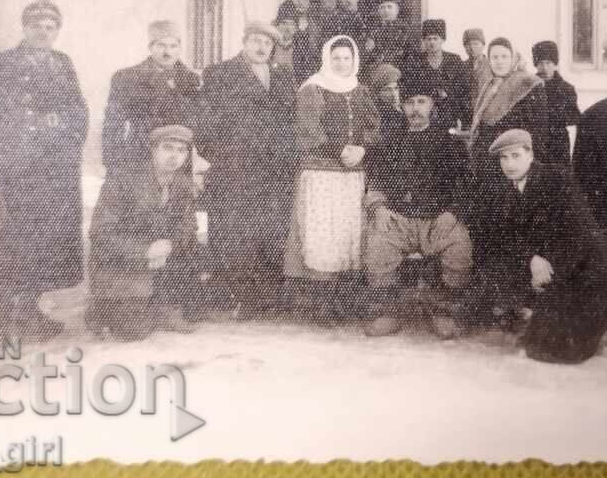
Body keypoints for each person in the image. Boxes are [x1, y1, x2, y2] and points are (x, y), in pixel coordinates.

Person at [0, 0, 88, 340]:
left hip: (54, 170)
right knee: (8, 241)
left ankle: (32, 311)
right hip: (13, 168)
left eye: (51, 26)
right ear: (24, 28)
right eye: (37, 25)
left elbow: (79, 111)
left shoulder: (63, 63)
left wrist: (63, 126)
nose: (44, 31)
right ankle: (4, 320)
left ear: (57, 32)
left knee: (46, 242)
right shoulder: (1, 64)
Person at [470, 129, 607, 364]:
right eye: (503, 158)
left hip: (580, 270)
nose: (509, 164)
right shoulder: (504, 188)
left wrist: (546, 271)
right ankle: (540, 306)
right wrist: (531, 260)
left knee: (557, 350)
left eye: (515, 155)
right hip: (544, 265)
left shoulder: (557, 180)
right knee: (536, 341)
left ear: (530, 154)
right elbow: (504, 235)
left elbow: (577, 237)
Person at [197, 21, 298, 320]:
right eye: (255, 40)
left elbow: (291, 120)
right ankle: (238, 296)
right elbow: (205, 122)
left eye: (267, 43)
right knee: (233, 231)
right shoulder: (220, 74)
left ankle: (269, 295)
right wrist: (219, 156)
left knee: (270, 228)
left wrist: (286, 156)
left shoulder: (282, 75)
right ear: (244, 42)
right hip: (235, 167)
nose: (261, 47)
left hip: (273, 169)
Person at [362, 71, 473, 340]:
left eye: (421, 102)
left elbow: (465, 184)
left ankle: (443, 311)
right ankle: (387, 311)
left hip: (437, 219)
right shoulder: (390, 142)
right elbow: (376, 181)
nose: (415, 109)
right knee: (377, 243)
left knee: (459, 245)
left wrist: (453, 212)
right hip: (399, 218)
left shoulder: (449, 143)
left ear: (432, 105)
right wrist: (379, 208)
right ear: (402, 106)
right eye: (410, 103)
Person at [284, 35, 380, 323]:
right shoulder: (313, 88)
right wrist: (340, 151)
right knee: (322, 232)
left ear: (354, 61)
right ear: (327, 59)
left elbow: (374, 126)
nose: (341, 63)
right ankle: (320, 304)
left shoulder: (360, 90)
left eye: (346, 59)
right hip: (321, 172)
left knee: (348, 233)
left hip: (352, 174)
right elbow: (308, 130)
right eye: (336, 58)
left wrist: (362, 148)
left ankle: (345, 301)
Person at [86, 125, 202, 340]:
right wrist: (145, 250)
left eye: (181, 150)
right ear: (153, 149)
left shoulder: (182, 185)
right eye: (168, 148)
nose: (174, 156)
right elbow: (100, 234)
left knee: (195, 257)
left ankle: (163, 306)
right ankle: (100, 308)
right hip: (120, 264)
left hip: (160, 261)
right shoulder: (122, 180)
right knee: (133, 332)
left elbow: (188, 227)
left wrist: (169, 246)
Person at [101, 20, 200, 174]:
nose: (167, 52)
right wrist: (114, 166)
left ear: (179, 48)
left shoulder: (191, 80)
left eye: (173, 46)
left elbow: (198, 123)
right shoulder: (128, 78)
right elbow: (112, 126)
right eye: (161, 45)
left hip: (178, 163)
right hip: (142, 159)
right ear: (150, 47)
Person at [466, 37, 549, 183]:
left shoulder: (528, 85)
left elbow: (538, 132)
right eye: (495, 57)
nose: (499, 61)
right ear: (489, 61)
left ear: (513, 58)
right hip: (488, 163)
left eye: (504, 56)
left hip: (514, 165)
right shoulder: (489, 86)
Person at [400, 19, 467, 129]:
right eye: (428, 39)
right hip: (424, 116)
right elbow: (409, 89)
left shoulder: (454, 60)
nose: (432, 42)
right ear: (424, 41)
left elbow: (462, 90)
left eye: (435, 38)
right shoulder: (415, 61)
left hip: (450, 115)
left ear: (442, 40)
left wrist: (460, 116)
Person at [532, 40, 582, 166]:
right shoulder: (529, 87)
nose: (544, 68)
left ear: (555, 65)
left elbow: (574, 117)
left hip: (558, 145)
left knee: (558, 180)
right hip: (534, 144)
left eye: (548, 63)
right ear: (536, 65)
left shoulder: (566, 89)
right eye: (540, 63)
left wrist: (556, 115)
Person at [363, 0, 412, 72]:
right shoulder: (373, 31)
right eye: (382, 7)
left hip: (400, 72)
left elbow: (408, 56)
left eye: (389, 7)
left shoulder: (406, 30)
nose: (386, 10)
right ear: (378, 11)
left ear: (397, 10)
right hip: (377, 71)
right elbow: (368, 55)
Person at [282, 0, 320, 83]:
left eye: (305, 0)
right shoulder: (283, 23)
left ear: (309, 3)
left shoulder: (315, 26)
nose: (301, 3)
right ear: (292, 1)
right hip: (289, 72)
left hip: (310, 73)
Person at [368, 63, 404, 143]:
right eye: (387, 90)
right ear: (378, 93)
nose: (394, 94)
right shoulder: (376, 115)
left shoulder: (403, 109)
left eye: (395, 88)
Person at [458, 27, 487, 128]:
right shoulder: (461, 67)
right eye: (468, 44)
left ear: (483, 45)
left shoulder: (492, 65)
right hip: (467, 118)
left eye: (475, 43)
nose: (472, 48)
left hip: (487, 115)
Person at [270, 2, 300, 75]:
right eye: (284, 23)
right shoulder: (270, 46)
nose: (288, 28)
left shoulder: (300, 48)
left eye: (292, 24)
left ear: (296, 28)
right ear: (277, 26)